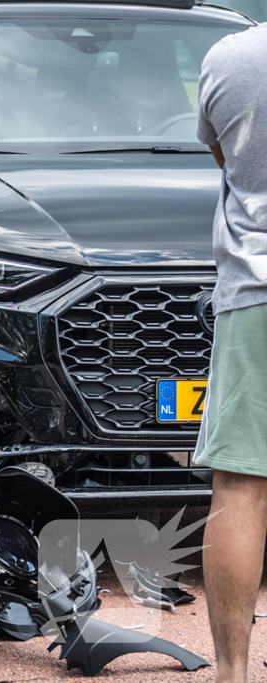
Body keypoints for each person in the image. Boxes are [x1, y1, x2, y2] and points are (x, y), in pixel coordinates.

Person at [194, 21, 267, 683]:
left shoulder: (233, 58)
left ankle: (233, 671)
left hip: (257, 294)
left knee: (242, 485)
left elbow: (224, 156)